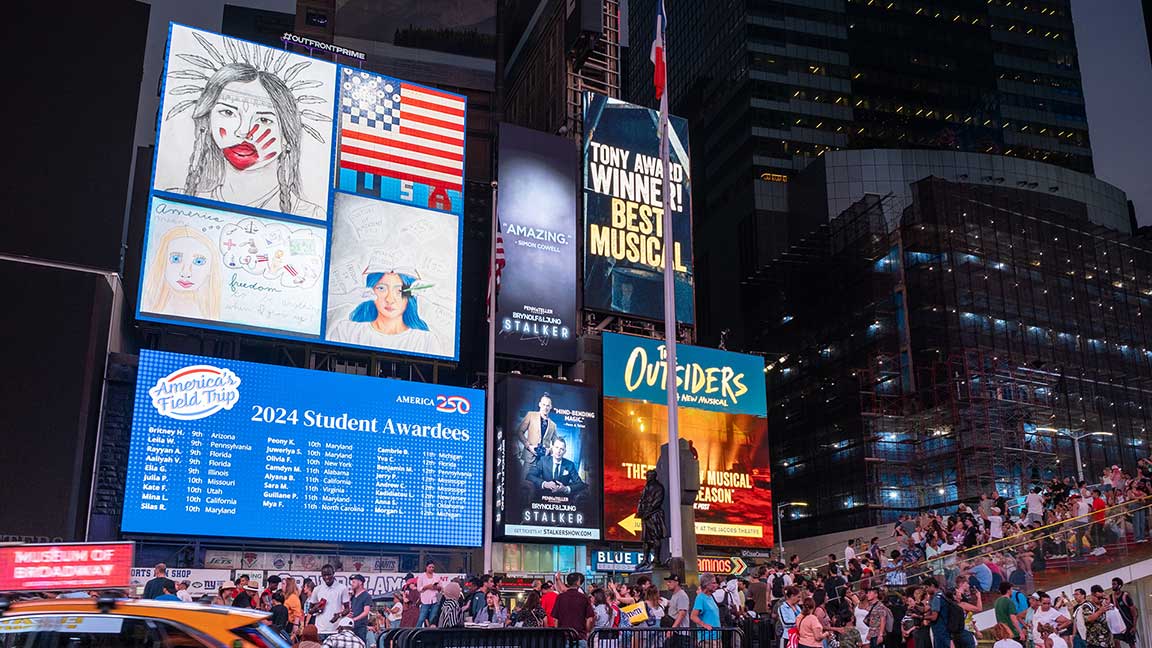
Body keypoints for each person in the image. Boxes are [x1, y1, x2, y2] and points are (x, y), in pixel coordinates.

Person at [163, 40, 328, 219]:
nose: (244, 131)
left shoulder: (311, 215)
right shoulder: (175, 203)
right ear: (207, 120)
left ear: (288, 135)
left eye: (264, 119)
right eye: (228, 112)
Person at [327, 271, 439, 354]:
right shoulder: (347, 331)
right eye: (381, 288)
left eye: (399, 291)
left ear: (411, 295)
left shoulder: (425, 340)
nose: (389, 299)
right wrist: (347, 297)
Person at [141, 227, 223, 321]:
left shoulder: (210, 315)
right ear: (162, 261)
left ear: (211, 268)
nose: (185, 273)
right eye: (176, 259)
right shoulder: (148, 307)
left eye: (198, 261)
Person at [308, 564, 351, 640]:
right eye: (324, 575)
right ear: (321, 575)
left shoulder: (342, 588)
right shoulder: (317, 589)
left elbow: (347, 609)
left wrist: (339, 615)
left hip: (335, 629)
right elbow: (310, 610)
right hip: (320, 629)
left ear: (333, 573)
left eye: (329, 574)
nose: (327, 577)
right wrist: (316, 609)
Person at [553, 573, 595, 647]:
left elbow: (555, 619)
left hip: (563, 637)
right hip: (580, 636)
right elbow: (590, 619)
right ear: (578, 582)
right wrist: (587, 630)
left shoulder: (560, 597)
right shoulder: (584, 598)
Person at [516, 393, 559, 465]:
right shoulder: (530, 415)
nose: (545, 407)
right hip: (529, 457)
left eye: (548, 405)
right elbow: (519, 432)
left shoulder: (553, 425)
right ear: (540, 404)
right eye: (543, 404)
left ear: (550, 407)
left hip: (544, 461)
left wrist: (549, 450)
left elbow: (556, 444)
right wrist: (529, 446)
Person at [1109, 578, 1139, 648]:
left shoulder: (1125, 596)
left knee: (1131, 644)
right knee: (1116, 641)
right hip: (1118, 625)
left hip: (1128, 624)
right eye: (1112, 584)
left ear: (1119, 585)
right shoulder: (1111, 597)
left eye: (1114, 584)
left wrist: (1134, 626)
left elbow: (1134, 613)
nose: (1112, 586)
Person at [415, 561, 442, 627]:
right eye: (430, 567)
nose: (431, 569)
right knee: (421, 619)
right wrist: (427, 587)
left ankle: (430, 632)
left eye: (433, 567)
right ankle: (416, 631)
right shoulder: (422, 576)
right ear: (426, 567)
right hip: (425, 600)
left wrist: (435, 587)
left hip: (435, 600)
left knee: (432, 619)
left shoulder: (436, 576)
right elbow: (419, 589)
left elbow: (441, 587)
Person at [348, 575, 373, 642]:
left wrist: (354, 619)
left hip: (360, 627)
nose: (352, 584)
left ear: (360, 582)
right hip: (351, 626)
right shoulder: (353, 596)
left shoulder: (366, 596)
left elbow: (366, 612)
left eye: (354, 582)